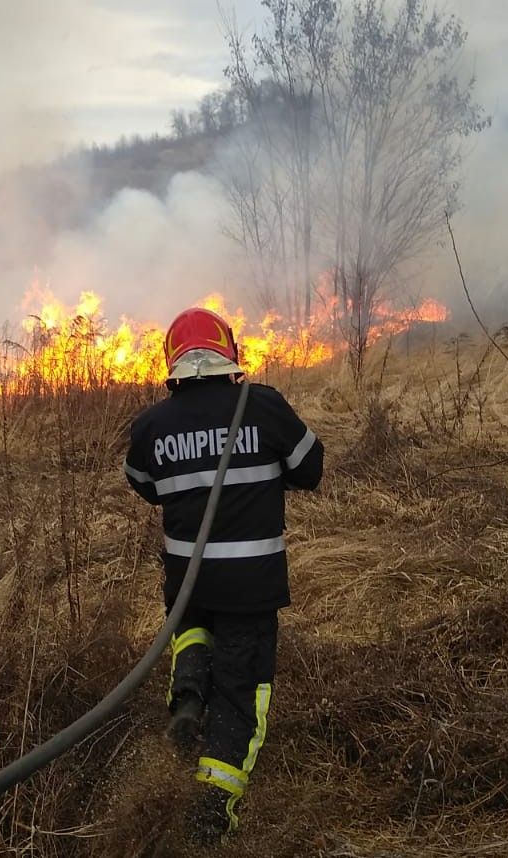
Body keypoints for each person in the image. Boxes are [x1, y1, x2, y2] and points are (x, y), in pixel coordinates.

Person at [123, 306, 324, 845]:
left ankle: (188, 690)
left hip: (187, 578)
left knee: (191, 625)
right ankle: (214, 809)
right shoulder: (262, 407)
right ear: (228, 353)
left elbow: (143, 483)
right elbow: (311, 468)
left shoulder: (151, 426)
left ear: (174, 361)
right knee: (242, 690)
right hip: (250, 587)